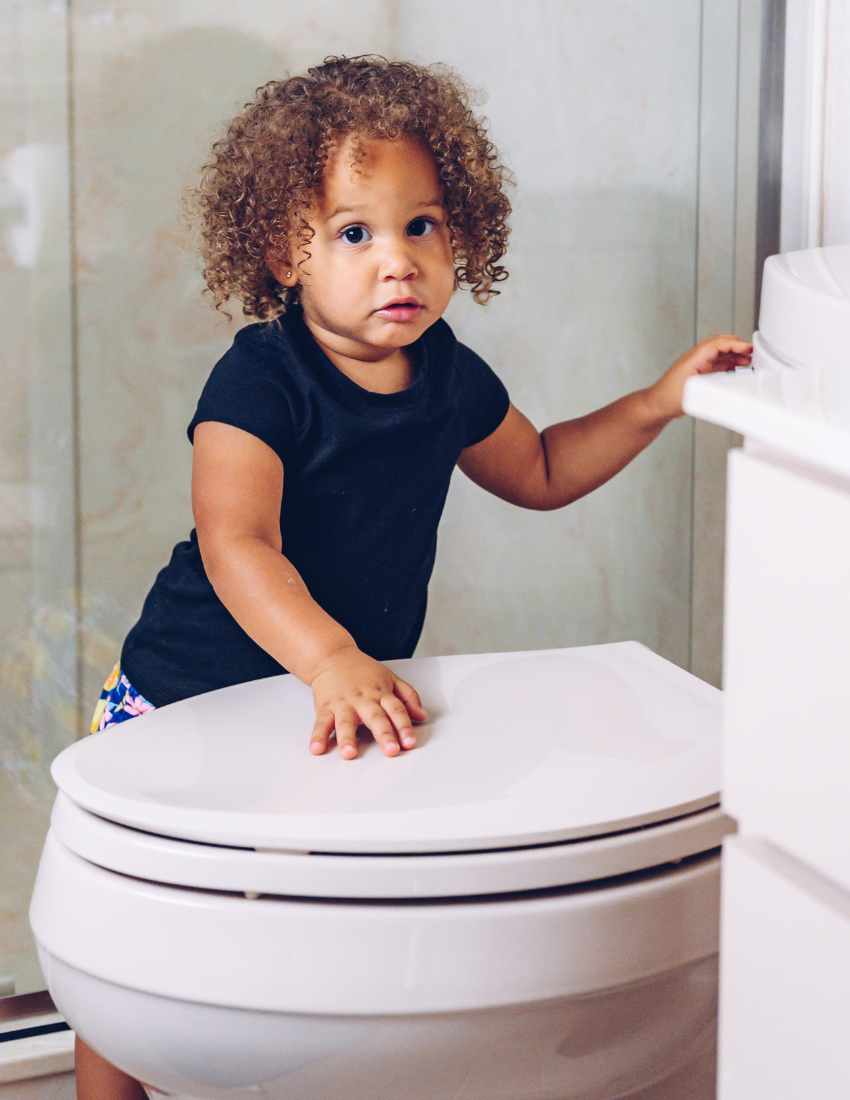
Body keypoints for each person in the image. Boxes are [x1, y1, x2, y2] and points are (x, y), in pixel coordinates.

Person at [76, 55, 752, 1098]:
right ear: (284, 252)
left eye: (422, 226)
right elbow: (236, 542)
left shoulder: (446, 372)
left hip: (327, 699)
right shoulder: (261, 373)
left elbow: (538, 468)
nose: (398, 261)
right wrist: (333, 656)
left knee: (283, 926)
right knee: (139, 932)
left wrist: (655, 402)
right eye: (355, 232)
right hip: (195, 690)